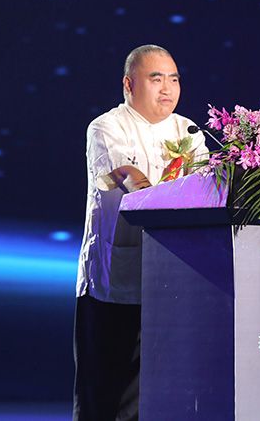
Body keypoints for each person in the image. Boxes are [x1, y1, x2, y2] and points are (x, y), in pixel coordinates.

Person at [73, 45, 208, 421]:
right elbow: (126, 175)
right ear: (129, 84)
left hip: (170, 279)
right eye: (156, 78)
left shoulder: (188, 131)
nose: (168, 88)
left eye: (174, 79)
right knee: (103, 396)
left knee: (152, 396)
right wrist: (156, 198)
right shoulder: (107, 127)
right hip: (114, 280)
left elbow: (204, 185)